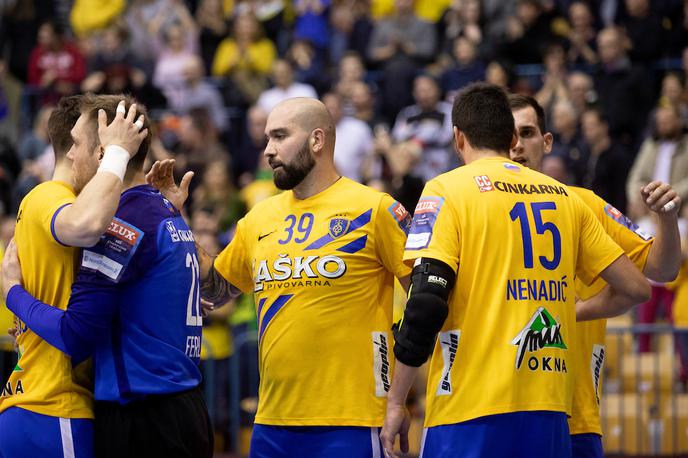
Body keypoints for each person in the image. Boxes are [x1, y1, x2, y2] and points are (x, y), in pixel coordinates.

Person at [379, 83, 651, 458]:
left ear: (459, 138)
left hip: (470, 405)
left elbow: (426, 301)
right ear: (510, 138)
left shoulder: (447, 189)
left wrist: (396, 401)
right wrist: (572, 310)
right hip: (550, 408)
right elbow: (637, 288)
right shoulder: (562, 196)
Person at [194, 97, 412, 457]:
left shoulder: (375, 209)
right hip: (271, 424)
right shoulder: (258, 219)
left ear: (317, 140)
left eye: (280, 136)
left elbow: (426, 305)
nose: (268, 150)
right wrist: (173, 218)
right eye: (266, 138)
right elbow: (213, 290)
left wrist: (399, 399)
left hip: (351, 422)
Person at [1, 94, 213, 458]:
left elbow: (75, 334)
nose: (70, 155)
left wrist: (12, 293)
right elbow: (203, 292)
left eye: (78, 144)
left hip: (143, 417)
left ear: (104, 153)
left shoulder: (120, 222)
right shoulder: (164, 209)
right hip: (183, 408)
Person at [508, 94, 682, 458]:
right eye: (507, 135)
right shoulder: (471, 207)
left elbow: (663, 270)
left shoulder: (584, 203)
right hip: (497, 408)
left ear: (547, 142)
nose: (516, 146)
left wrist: (665, 218)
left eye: (527, 133)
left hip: (576, 416)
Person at [0, 94, 148, 457]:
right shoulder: (50, 196)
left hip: (34, 402)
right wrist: (118, 154)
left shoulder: (46, 205)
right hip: (53, 405)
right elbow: (83, 225)